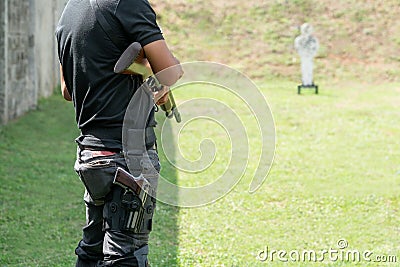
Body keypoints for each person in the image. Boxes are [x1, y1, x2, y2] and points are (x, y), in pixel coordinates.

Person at [55, 0, 183, 266]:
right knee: (126, 256)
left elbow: (67, 91)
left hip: (91, 154)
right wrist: (150, 70)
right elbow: (170, 73)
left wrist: (142, 75)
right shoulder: (129, 3)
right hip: (129, 156)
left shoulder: (69, 10)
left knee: (91, 250)